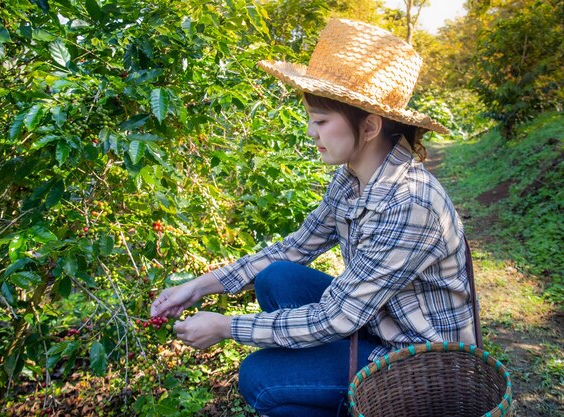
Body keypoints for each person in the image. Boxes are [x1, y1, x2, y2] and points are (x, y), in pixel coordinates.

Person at [150, 19, 477, 417]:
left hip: (421, 362)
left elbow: (337, 317)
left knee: (261, 378)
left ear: (370, 125)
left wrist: (226, 326)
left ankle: (357, 404)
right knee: (278, 275)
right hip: (378, 323)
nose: (311, 132)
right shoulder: (353, 176)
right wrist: (201, 286)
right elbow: (297, 246)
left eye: (320, 121)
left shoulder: (410, 203)